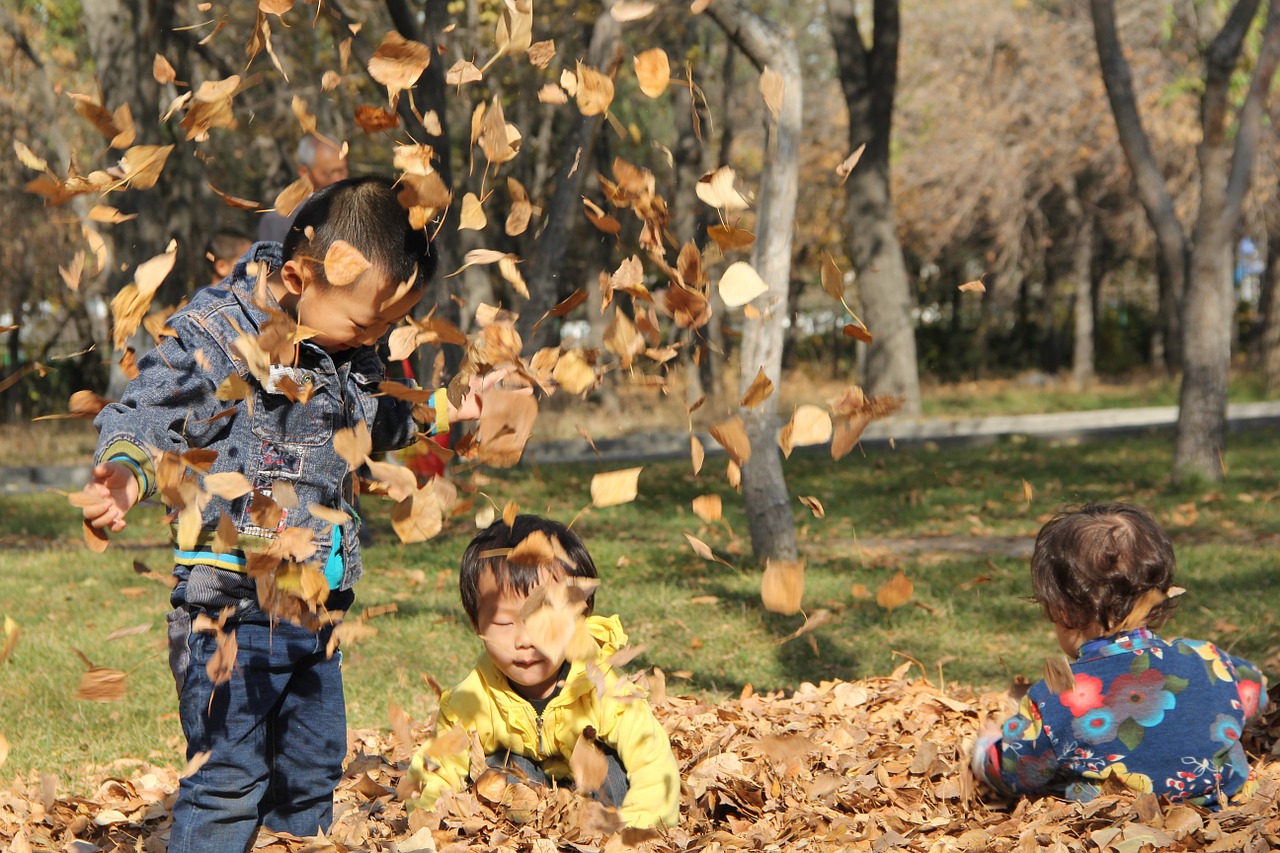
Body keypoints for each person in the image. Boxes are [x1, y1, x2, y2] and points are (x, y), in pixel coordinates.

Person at [78, 176, 497, 852]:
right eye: (368, 323)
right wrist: (126, 469)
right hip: (230, 613)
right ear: (303, 276)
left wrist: (443, 409)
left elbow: (368, 418)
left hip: (314, 609)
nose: (377, 338)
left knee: (310, 768)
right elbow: (154, 404)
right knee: (229, 776)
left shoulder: (347, 348)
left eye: (388, 324)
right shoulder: (223, 330)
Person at [971, 503, 1269, 807]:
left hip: (1113, 830)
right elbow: (1255, 694)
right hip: (1224, 819)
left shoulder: (1056, 698)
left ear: (1060, 609)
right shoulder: (1209, 660)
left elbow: (1013, 770)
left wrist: (985, 747)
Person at [407, 515, 680, 830]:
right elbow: (434, 772)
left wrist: (635, 833)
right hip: (525, 811)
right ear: (476, 625)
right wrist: (426, 824)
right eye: (504, 623)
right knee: (497, 771)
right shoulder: (470, 702)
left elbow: (653, 763)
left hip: (599, 807)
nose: (524, 641)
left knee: (613, 773)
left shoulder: (602, 688)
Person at [258, 133, 350, 245]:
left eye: (342, 170)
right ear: (304, 172)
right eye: (328, 173)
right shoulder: (280, 220)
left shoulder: (358, 208)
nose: (338, 179)